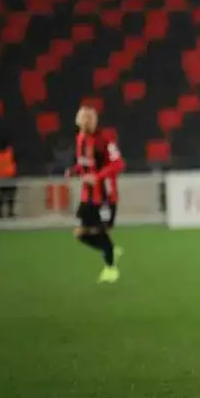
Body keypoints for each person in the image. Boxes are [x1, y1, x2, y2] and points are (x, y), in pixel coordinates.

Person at [66, 106, 125, 283]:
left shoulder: (105, 140)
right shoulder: (80, 139)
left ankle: (111, 268)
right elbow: (86, 164)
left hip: (105, 196)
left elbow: (119, 164)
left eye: (90, 118)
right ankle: (110, 251)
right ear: (78, 121)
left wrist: (98, 177)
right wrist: (74, 171)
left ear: (95, 121)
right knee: (79, 233)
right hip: (88, 196)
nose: (87, 122)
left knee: (101, 231)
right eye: (84, 118)